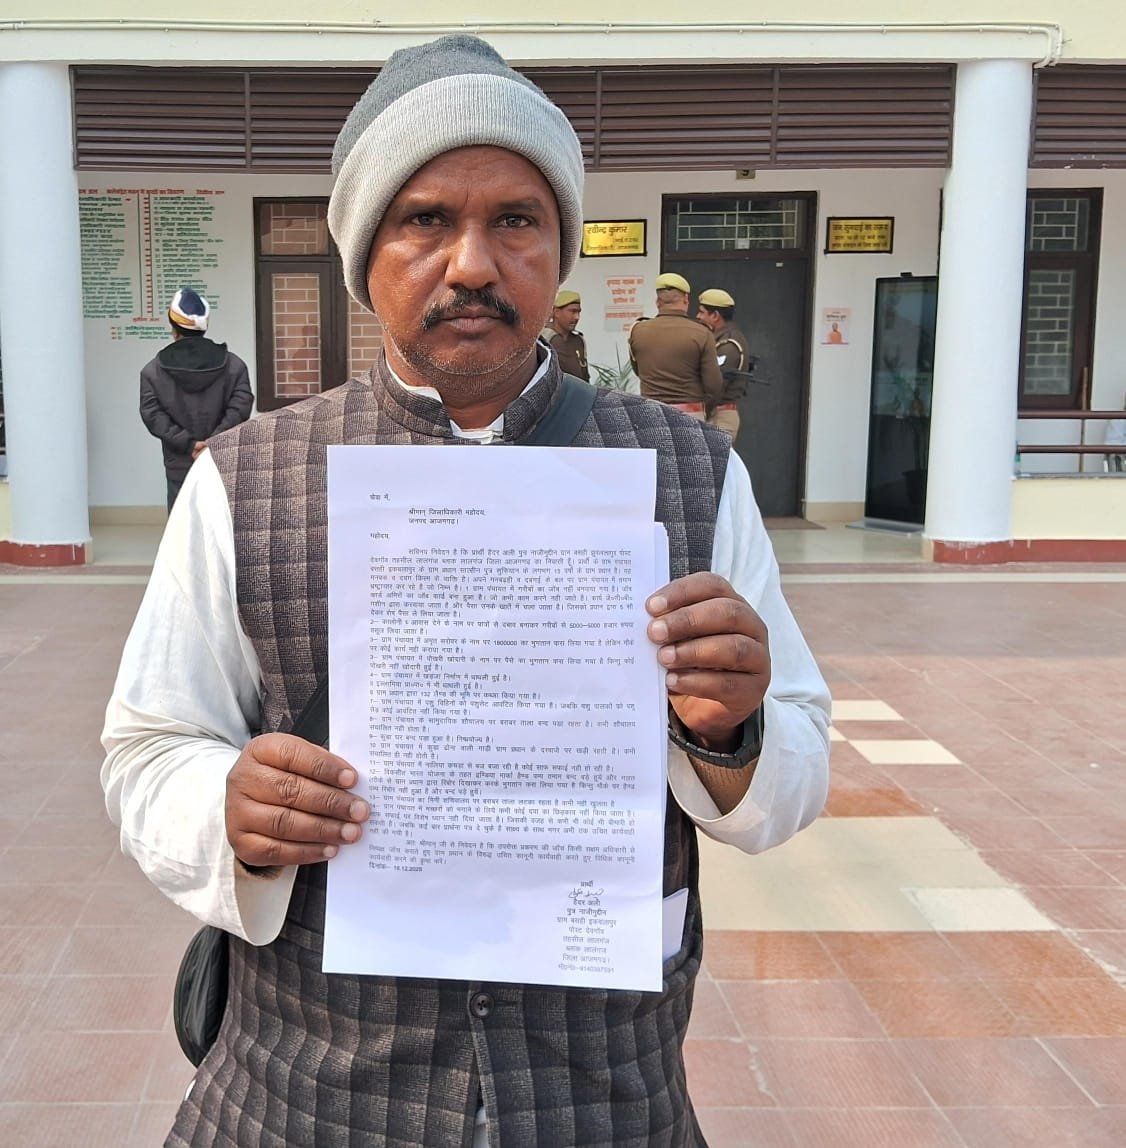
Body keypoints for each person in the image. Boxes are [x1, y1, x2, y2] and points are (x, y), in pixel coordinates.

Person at [102, 34, 829, 1148]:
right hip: (308, 1099)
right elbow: (150, 746)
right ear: (366, 254)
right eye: (425, 219)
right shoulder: (246, 479)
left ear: (559, 249)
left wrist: (731, 731)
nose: (474, 264)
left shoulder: (689, 473)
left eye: (516, 220)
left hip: (602, 1097)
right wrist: (227, 810)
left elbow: (793, 768)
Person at [139, 287, 254, 511]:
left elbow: (153, 416)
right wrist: (213, 443)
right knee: (220, 524)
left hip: (179, 463)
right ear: (205, 326)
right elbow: (241, 406)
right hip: (221, 460)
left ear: (174, 329)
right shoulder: (234, 365)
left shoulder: (152, 371)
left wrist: (190, 444)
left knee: (181, 526)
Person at [628, 272, 724, 419]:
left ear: (658, 301)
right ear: (686, 299)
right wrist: (705, 410)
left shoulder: (637, 331)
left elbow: (638, 370)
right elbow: (713, 385)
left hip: (651, 415)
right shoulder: (702, 333)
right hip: (690, 414)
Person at [696, 288, 751, 442]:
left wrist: (700, 412)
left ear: (715, 316)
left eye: (702, 312)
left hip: (719, 417)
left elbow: (717, 387)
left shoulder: (728, 345)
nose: (698, 316)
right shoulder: (719, 339)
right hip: (715, 414)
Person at [540, 288, 589, 380]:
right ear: (557, 312)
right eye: (572, 311)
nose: (577, 317)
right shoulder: (544, 338)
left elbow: (584, 374)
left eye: (578, 312)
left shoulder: (578, 341)